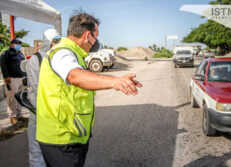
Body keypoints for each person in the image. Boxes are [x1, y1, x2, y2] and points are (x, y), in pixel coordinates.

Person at [36, 10, 142, 167]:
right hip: (62, 138)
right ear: (87, 35)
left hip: (71, 134)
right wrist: (115, 81)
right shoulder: (62, 53)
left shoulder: (74, 53)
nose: (96, 41)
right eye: (96, 36)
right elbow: (76, 76)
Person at [21, 29, 61, 167]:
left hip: (55, 108)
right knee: (36, 144)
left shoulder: (59, 58)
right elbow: (36, 85)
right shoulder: (35, 59)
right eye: (55, 40)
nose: (57, 43)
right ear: (47, 41)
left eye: (59, 40)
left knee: (55, 144)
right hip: (38, 108)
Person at [0, 39, 26, 125]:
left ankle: (19, 115)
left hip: (20, 78)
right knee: (12, 98)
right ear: (11, 44)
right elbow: (3, 65)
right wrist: (6, 76)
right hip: (11, 78)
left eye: (19, 44)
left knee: (20, 97)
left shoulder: (20, 54)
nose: (19, 45)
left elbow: (23, 65)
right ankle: (12, 116)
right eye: (17, 44)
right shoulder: (6, 53)